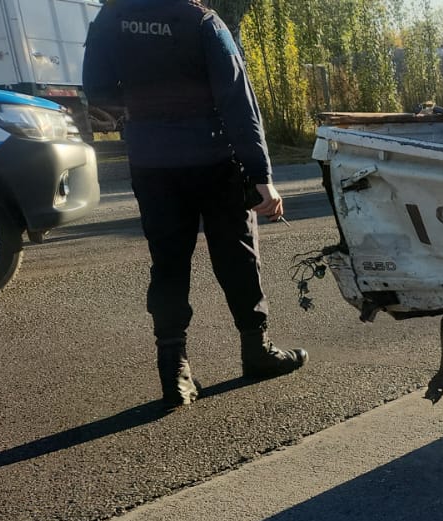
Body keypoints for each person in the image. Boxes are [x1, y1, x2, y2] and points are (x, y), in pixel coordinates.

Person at [83, 0, 306, 408]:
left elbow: (97, 93)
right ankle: (256, 350)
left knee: (168, 263)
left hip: (152, 164)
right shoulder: (202, 21)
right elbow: (237, 101)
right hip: (215, 161)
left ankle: (174, 372)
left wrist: (141, 123)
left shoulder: (110, 19)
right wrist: (262, 177)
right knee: (237, 256)